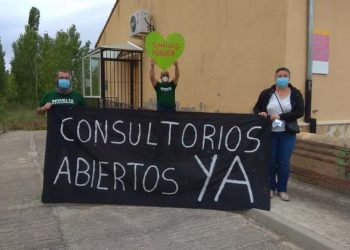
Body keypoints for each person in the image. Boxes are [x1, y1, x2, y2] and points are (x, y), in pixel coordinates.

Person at [253, 67, 304, 201]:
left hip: (287, 134)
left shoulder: (296, 94)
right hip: (269, 133)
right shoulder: (267, 93)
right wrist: (261, 113)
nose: (282, 78)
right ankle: (270, 187)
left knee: (283, 162)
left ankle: (282, 189)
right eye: (279, 75)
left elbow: (299, 112)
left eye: (284, 75)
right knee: (270, 161)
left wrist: (280, 116)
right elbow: (257, 108)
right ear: (275, 78)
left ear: (289, 78)